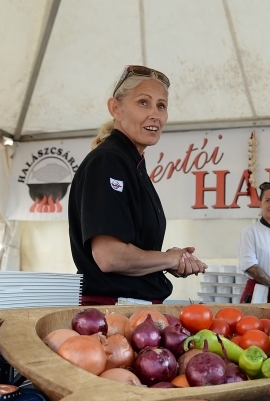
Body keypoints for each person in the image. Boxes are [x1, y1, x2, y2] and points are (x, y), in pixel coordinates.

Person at [68, 66, 207, 306]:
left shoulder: (131, 162)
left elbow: (131, 252)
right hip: (112, 314)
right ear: (116, 108)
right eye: (144, 103)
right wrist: (168, 259)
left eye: (161, 106)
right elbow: (110, 257)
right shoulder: (108, 160)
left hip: (132, 309)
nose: (155, 114)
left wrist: (170, 259)